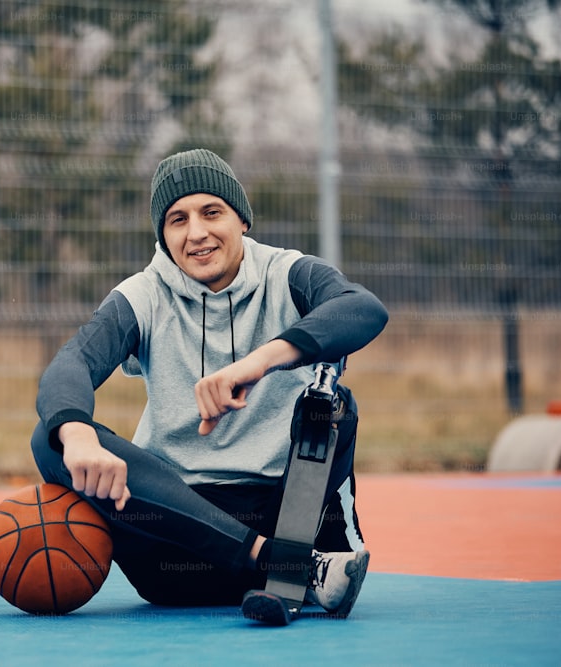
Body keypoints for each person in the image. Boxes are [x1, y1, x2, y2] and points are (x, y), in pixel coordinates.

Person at [30, 148, 388, 618]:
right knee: (52, 436)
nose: (195, 233)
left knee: (331, 404)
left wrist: (259, 362)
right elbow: (73, 362)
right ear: (162, 236)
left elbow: (363, 309)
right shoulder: (144, 294)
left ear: (242, 219)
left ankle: (294, 561)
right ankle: (284, 567)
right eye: (177, 220)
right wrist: (76, 435)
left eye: (211, 212)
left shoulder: (288, 273)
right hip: (173, 541)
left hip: (286, 518)